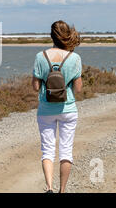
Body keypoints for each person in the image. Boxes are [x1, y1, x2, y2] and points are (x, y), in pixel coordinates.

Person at [32, 20, 83, 193]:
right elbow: (78, 88)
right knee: (66, 151)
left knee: (47, 150)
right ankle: (62, 190)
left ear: (51, 35)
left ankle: (49, 187)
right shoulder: (75, 58)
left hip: (45, 110)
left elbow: (35, 87)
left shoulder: (40, 57)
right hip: (68, 109)